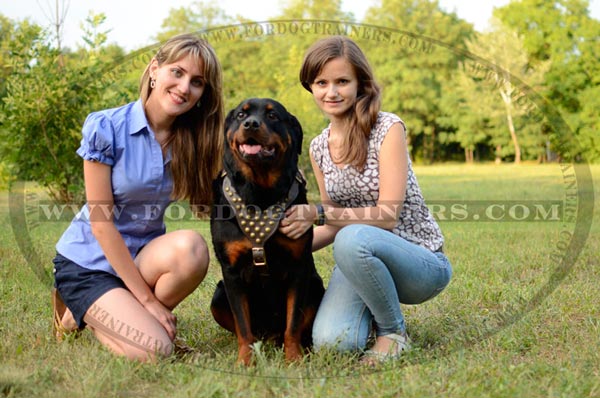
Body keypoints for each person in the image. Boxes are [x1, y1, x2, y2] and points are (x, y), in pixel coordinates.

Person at [279, 36, 452, 364]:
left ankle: (393, 332)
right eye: (321, 82)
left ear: (360, 83)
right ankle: (372, 317)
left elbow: (387, 215)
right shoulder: (318, 146)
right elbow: (331, 223)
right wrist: (280, 248)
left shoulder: (387, 128)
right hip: (358, 258)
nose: (332, 92)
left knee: (351, 236)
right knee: (334, 343)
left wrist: (315, 212)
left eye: (342, 81)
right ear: (310, 86)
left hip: (419, 261)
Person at [51, 34, 224, 361]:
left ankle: (86, 313)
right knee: (156, 350)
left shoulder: (192, 141)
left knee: (192, 250)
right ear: (154, 70)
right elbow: (101, 225)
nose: (185, 87)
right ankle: (84, 304)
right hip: (88, 263)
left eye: (197, 81)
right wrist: (147, 302)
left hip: (141, 258)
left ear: (203, 93)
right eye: (177, 72)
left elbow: (220, 202)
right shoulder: (107, 127)